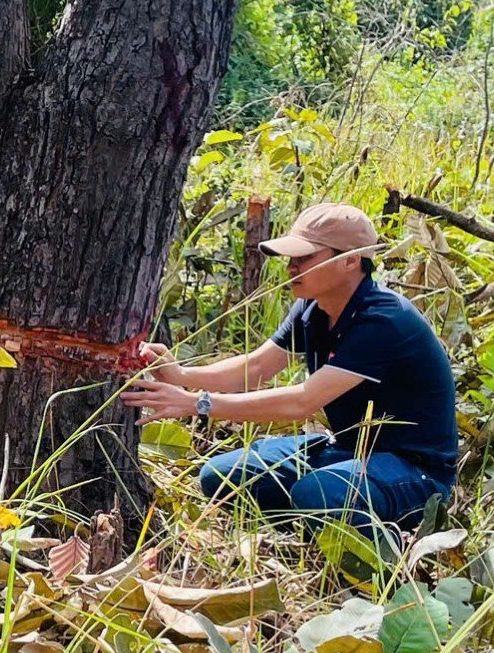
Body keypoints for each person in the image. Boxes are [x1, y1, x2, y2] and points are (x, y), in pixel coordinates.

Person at [125, 201, 458, 531]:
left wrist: (197, 404)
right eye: (291, 258)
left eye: (305, 258)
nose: (291, 267)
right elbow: (257, 367)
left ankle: (374, 552)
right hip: (348, 452)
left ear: (351, 260)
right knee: (221, 477)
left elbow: (302, 402)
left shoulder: (383, 319)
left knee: (319, 494)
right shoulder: (311, 308)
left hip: (415, 472)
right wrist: (183, 375)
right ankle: (318, 523)